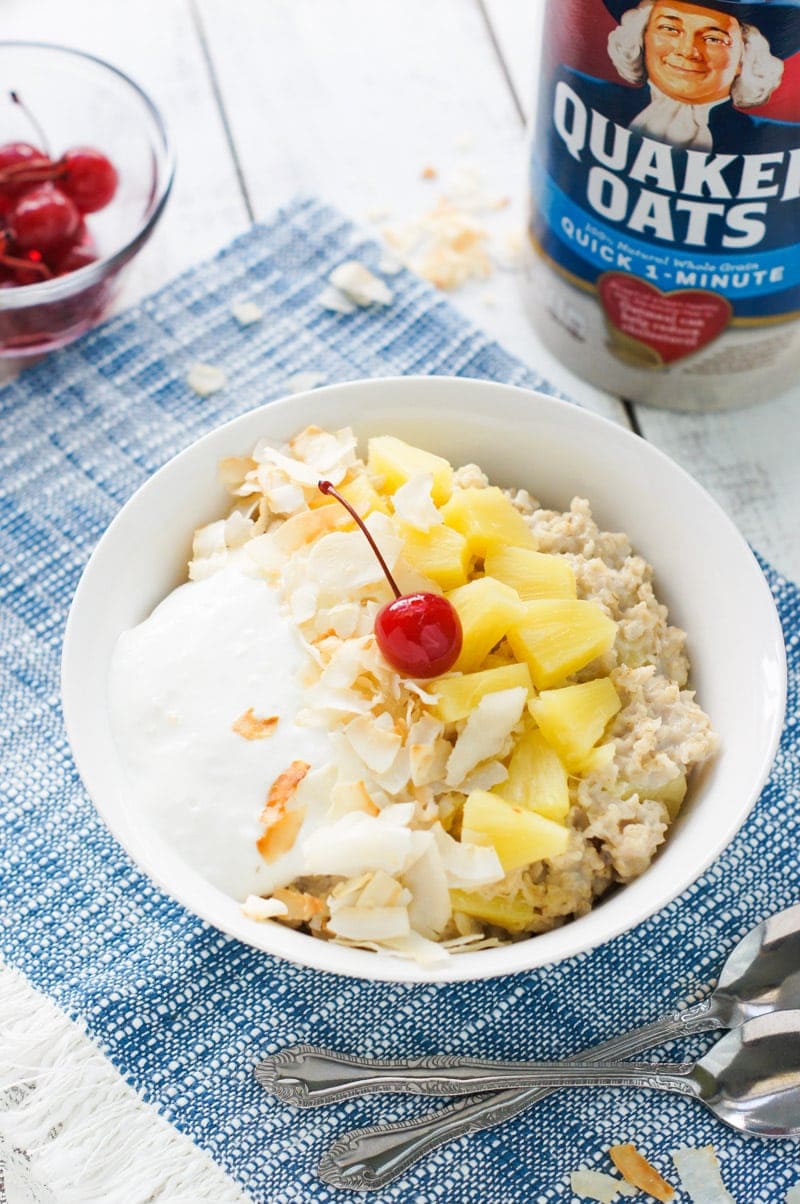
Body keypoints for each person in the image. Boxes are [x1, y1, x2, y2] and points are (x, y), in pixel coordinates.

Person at [607, 0, 785, 148]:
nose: (687, 50)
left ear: (745, 57)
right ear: (642, 37)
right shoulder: (591, 95)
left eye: (713, 39)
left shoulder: (779, 140)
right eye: (669, 29)